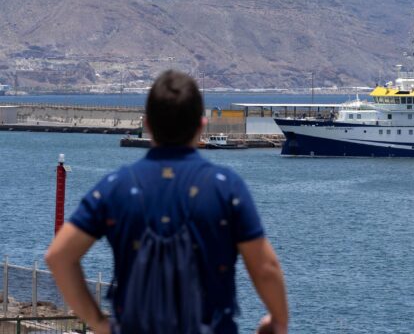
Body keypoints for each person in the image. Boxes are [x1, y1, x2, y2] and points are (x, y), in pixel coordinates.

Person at [46, 71, 288, 334]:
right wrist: (278, 321)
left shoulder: (116, 186)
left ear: (147, 125)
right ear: (201, 125)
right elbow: (266, 268)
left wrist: (100, 324)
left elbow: (59, 257)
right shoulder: (226, 187)